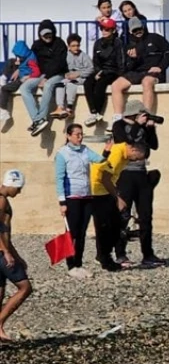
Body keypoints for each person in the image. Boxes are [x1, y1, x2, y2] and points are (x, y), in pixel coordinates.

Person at [111, 102, 161, 267]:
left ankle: (148, 253)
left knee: (146, 215)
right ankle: (120, 254)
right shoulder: (119, 126)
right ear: (134, 114)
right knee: (123, 215)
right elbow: (126, 143)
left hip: (141, 173)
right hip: (125, 174)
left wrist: (150, 128)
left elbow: (153, 145)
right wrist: (137, 125)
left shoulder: (143, 127)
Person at [53, 124, 104, 278]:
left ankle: (79, 263)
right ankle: (70, 265)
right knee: (72, 232)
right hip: (71, 197)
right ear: (68, 136)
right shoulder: (62, 154)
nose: (80, 137)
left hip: (86, 196)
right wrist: (62, 202)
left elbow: (100, 159)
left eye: (81, 134)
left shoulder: (85, 150)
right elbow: (59, 178)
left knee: (82, 233)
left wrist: (108, 151)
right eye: (77, 134)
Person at [89, 137, 139, 273]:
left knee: (113, 225)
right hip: (98, 191)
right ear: (132, 148)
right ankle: (104, 258)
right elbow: (104, 178)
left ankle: (104, 256)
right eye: (137, 156)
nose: (136, 160)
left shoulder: (123, 154)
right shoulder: (117, 153)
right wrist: (118, 198)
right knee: (105, 227)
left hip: (104, 190)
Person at [111, 18, 169, 117]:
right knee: (116, 85)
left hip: (153, 72)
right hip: (137, 72)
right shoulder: (130, 46)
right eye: (134, 30)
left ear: (143, 27)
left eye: (139, 29)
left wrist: (160, 67)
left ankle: (146, 115)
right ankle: (117, 117)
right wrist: (133, 59)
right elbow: (129, 67)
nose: (138, 32)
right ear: (130, 31)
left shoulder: (156, 38)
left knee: (147, 82)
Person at [0, 170, 32, 342]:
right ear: (11, 184)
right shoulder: (1, 200)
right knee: (25, 287)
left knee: (0, 290)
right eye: (18, 188)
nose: (19, 192)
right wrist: (6, 253)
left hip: (3, 251)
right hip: (0, 254)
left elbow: (5, 233)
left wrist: (16, 255)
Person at [22, 20, 69, 135]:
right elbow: (30, 61)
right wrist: (25, 73)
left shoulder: (59, 43)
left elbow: (60, 63)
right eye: (44, 34)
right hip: (41, 74)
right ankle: (37, 120)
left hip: (58, 74)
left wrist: (47, 77)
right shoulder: (36, 45)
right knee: (24, 88)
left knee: (48, 85)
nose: (47, 36)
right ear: (40, 35)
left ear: (53, 32)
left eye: (49, 33)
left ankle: (41, 117)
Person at [86, 19, 123, 126]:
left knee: (100, 85)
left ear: (113, 30)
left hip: (113, 71)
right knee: (88, 82)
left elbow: (120, 61)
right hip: (101, 71)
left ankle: (98, 111)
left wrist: (120, 75)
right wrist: (98, 72)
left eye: (107, 29)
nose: (104, 31)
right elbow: (96, 61)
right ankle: (93, 112)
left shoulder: (118, 42)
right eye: (102, 28)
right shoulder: (98, 43)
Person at [58, 33, 94, 121]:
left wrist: (78, 73)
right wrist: (66, 74)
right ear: (68, 46)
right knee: (60, 84)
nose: (76, 48)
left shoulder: (84, 56)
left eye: (77, 45)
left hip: (81, 77)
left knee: (71, 84)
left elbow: (91, 69)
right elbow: (61, 68)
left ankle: (69, 107)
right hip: (68, 77)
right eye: (73, 46)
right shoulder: (65, 56)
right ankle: (60, 107)